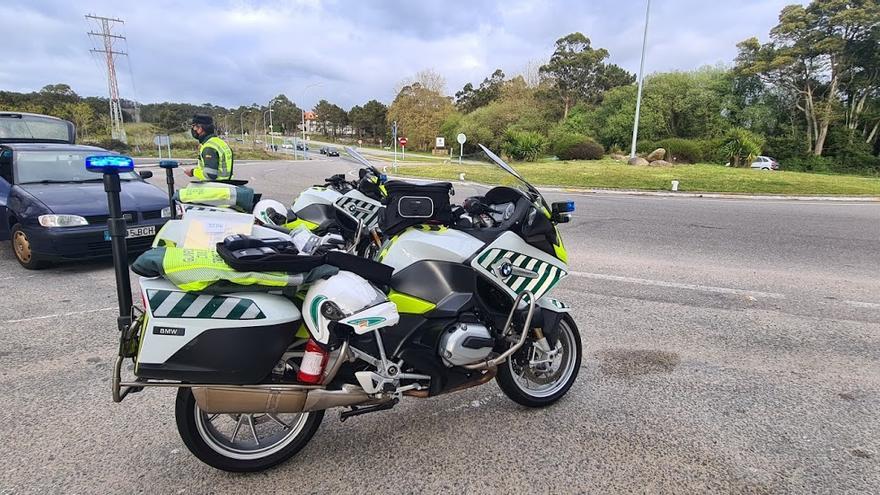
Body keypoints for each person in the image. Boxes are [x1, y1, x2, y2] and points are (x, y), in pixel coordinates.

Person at [184, 114, 234, 180]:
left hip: (214, 187)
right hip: (226, 186)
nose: (193, 130)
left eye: (194, 127)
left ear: (200, 128)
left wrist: (192, 172)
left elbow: (210, 175)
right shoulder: (220, 143)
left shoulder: (209, 147)